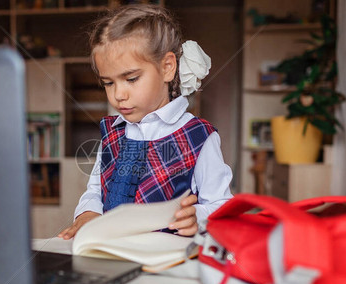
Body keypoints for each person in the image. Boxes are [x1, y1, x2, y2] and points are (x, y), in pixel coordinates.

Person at [59, 4, 233, 240]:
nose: (118, 94)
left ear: (167, 67)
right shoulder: (112, 132)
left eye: (131, 79)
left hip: (168, 263)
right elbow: (95, 191)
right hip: (114, 254)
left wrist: (197, 216)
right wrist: (87, 213)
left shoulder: (199, 136)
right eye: (108, 83)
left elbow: (222, 205)